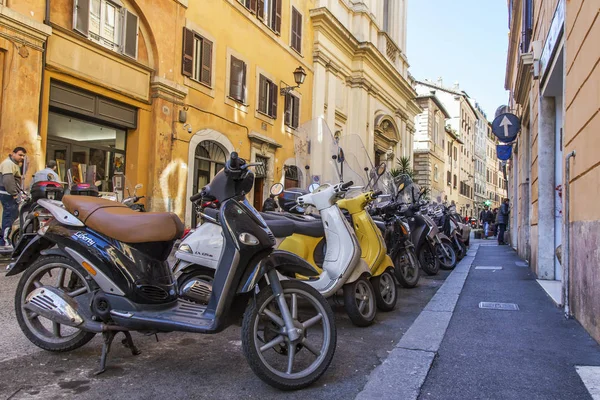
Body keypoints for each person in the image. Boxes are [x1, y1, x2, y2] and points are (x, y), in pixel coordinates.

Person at [0, 147, 26, 248]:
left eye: (23, 155)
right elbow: (8, 181)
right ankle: (4, 241)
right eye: (20, 155)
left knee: (10, 215)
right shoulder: (8, 164)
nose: (21, 157)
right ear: (13, 154)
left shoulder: (12, 164)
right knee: (9, 215)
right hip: (7, 194)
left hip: (7, 193)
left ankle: (4, 239)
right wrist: (14, 194)